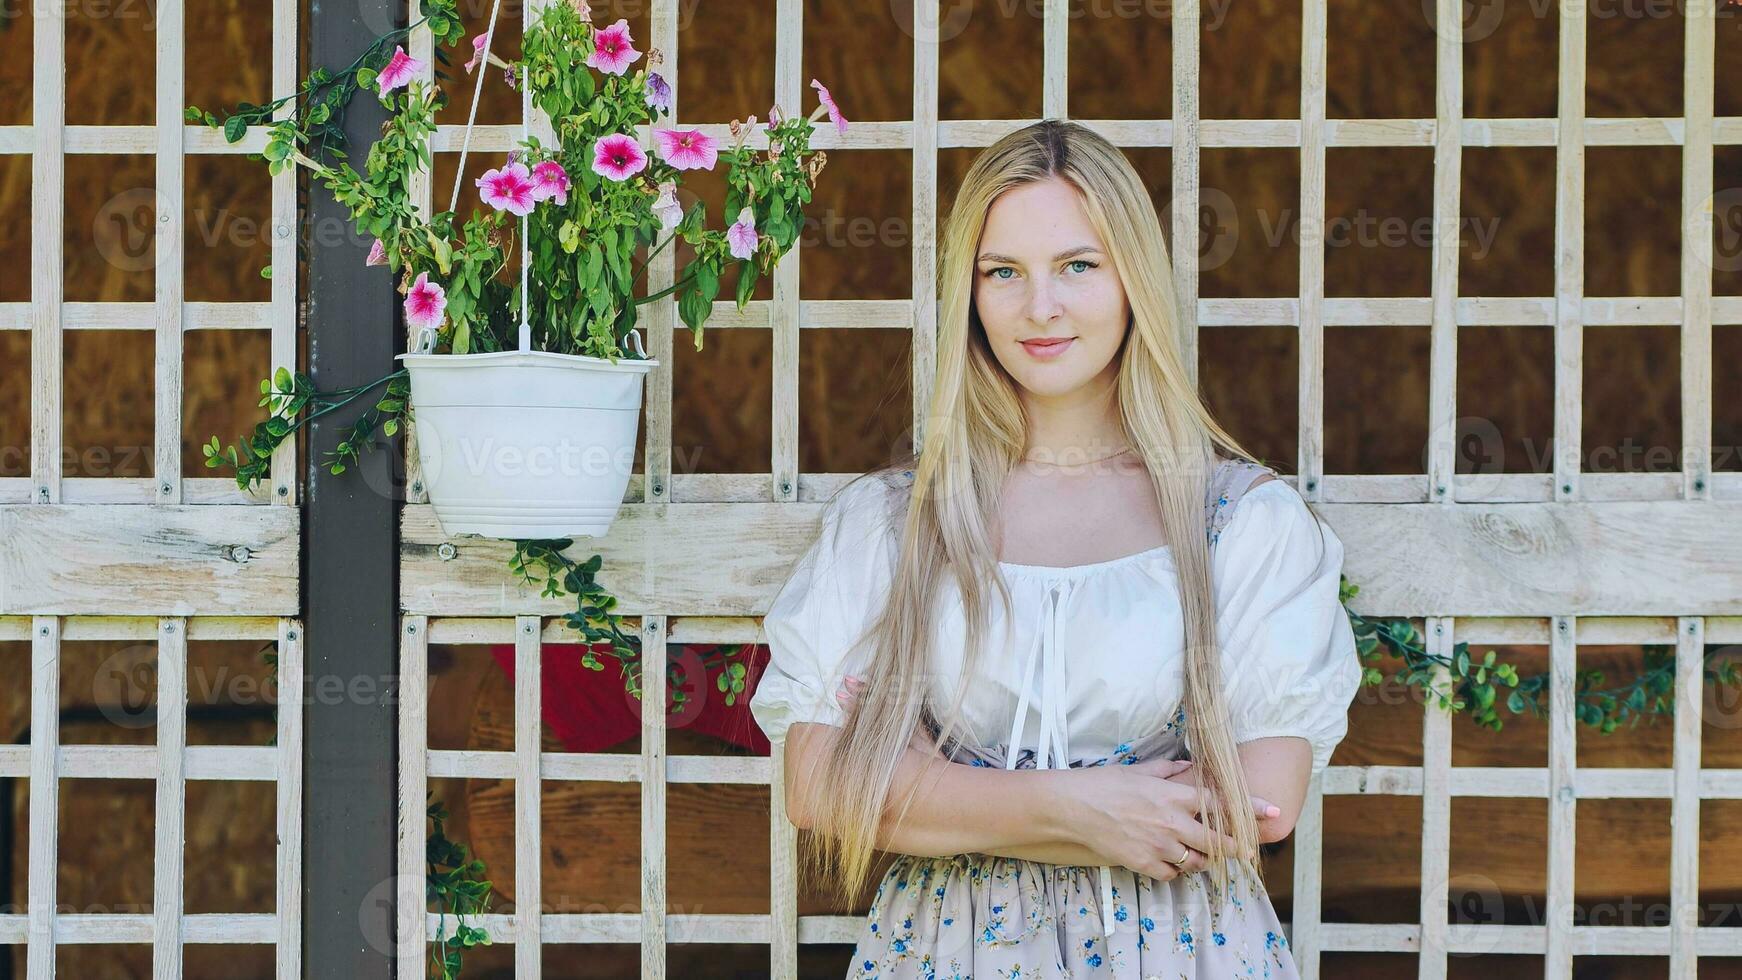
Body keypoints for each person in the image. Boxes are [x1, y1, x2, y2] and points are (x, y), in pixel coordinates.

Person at [748, 118, 1362, 978]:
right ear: (970, 291)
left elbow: (1258, 803)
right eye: (1004, 272)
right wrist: (1088, 807)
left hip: (1175, 951)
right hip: (946, 951)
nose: (1042, 307)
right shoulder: (892, 522)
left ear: (1132, 280)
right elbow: (818, 788)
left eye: (1079, 265)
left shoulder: (1239, 522)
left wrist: (920, 790)